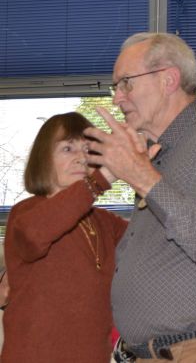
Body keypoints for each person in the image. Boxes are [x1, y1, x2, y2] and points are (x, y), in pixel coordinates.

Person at [84, 32, 196, 362]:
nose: (117, 99)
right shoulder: (159, 154)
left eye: (126, 83)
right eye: (115, 87)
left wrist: (144, 178)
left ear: (168, 79)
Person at [1, 112, 128, 363]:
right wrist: (103, 178)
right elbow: (35, 235)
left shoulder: (105, 222)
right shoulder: (25, 213)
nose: (81, 158)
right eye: (68, 149)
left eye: (88, 150)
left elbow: (151, 239)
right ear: (44, 159)